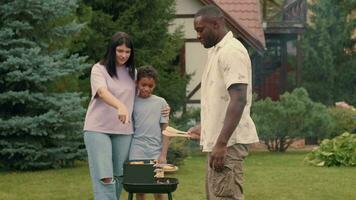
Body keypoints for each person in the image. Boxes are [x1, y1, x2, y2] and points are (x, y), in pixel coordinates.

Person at [83, 32, 169, 200]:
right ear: (112, 50)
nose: (123, 55)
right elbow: (101, 92)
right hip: (98, 129)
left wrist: (164, 107)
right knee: (105, 177)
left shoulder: (133, 73)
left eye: (127, 52)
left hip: (124, 131)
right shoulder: (99, 69)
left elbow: (146, 91)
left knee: (121, 176)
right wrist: (120, 105)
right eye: (120, 50)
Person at [187, 5, 259, 200]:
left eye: (201, 30)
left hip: (228, 145)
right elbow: (222, 100)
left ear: (216, 24)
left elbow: (239, 98)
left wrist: (222, 143)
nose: (198, 36)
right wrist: (206, 126)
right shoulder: (216, 52)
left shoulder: (232, 51)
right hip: (221, 145)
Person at [129, 66, 170, 200]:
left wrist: (163, 155)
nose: (146, 88)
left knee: (158, 190)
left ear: (155, 85)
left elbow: (166, 131)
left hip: (156, 151)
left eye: (150, 86)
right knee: (140, 190)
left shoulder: (161, 102)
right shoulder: (131, 102)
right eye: (143, 84)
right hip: (137, 150)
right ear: (137, 83)